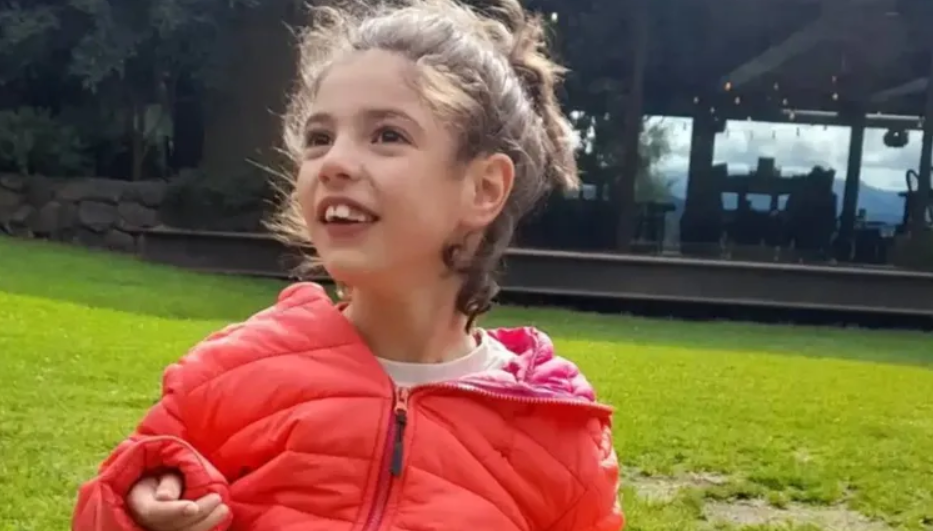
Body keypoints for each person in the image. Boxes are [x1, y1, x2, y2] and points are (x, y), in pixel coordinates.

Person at [71, 0, 624, 529]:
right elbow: (116, 500)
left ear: (483, 188)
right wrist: (136, 510)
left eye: (387, 135)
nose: (334, 161)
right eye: (319, 138)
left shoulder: (556, 433)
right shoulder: (226, 377)